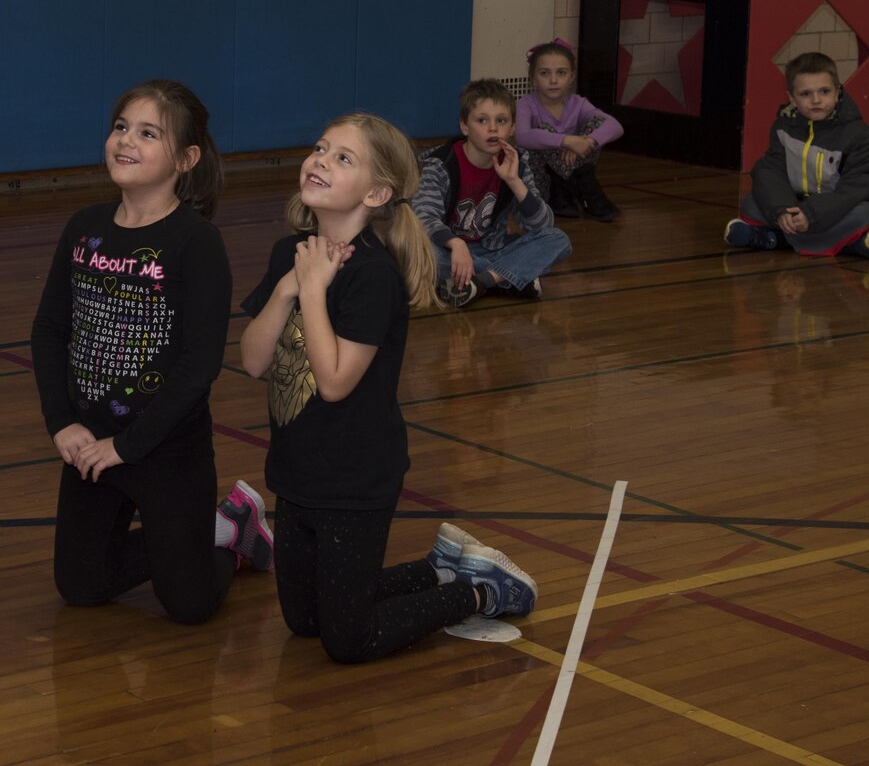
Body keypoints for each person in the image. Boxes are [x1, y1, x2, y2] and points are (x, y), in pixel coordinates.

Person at [238, 114, 537, 664]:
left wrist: (313, 291)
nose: (320, 160)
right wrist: (286, 291)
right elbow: (253, 361)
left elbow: (333, 383)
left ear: (376, 193)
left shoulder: (373, 276)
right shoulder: (291, 254)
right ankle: (436, 569)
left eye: (343, 158)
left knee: (349, 641)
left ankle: (478, 591)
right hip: (296, 473)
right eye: (320, 148)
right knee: (305, 622)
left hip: (356, 481)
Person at [29, 80, 271, 628]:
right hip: (92, 446)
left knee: (188, 604)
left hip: (166, 448)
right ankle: (207, 531)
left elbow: (200, 364)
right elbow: (48, 329)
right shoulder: (84, 228)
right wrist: (62, 421)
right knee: (81, 587)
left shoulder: (196, 242)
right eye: (121, 127)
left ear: (186, 158)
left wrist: (130, 445)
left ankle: (231, 534)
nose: (125, 141)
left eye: (147, 133)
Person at [414, 78, 572, 308]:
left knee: (558, 240)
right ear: (464, 126)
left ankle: (482, 281)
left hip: (491, 248)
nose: (493, 128)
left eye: (501, 120)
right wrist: (456, 244)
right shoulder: (440, 164)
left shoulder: (517, 164)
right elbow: (423, 217)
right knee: (424, 254)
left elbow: (541, 226)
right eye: (482, 120)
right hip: (448, 250)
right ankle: (509, 278)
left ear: (512, 127)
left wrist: (514, 181)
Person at [726, 52, 869, 258]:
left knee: (868, 214)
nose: (816, 100)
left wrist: (813, 214)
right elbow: (770, 171)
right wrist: (783, 210)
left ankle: (776, 240)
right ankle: (845, 244)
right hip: (797, 205)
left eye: (824, 91)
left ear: (837, 92)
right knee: (751, 203)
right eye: (805, 94)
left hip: (837, 209)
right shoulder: (782, 128)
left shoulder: (862, 136)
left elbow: (856, 189)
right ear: (791, 98)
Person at [515, 38, 624, 221]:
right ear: (533, 77)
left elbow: (615, 125)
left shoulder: (578, 103)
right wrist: (566, 141)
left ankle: (571, 191)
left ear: (571, 76)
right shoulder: (526, 104)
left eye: (561, 73)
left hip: (572, 175)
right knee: (543, 130)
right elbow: (522, 136)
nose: (553, 80)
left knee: (596, 125)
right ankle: (587, 192)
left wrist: (587, 141)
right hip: (539, 182)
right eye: (544, 73)